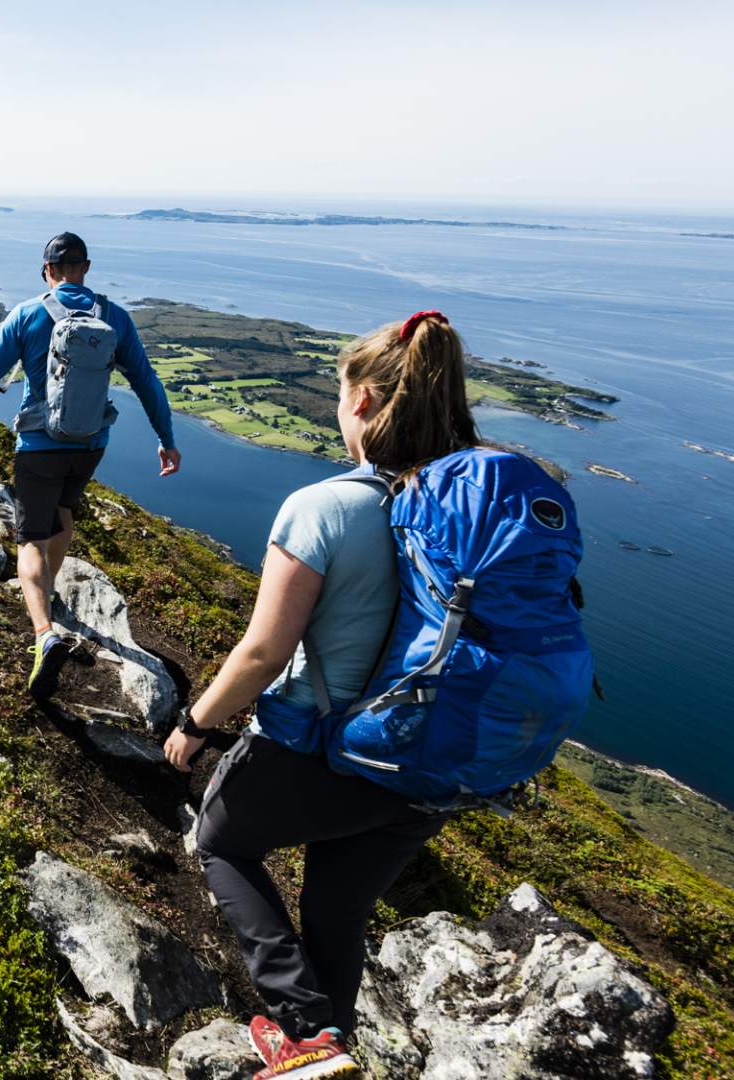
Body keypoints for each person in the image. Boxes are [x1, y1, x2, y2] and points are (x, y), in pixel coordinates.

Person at [160, 311, 480, 1080]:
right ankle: (327, 1050)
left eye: (342, 396)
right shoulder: (465, 515)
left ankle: (306, 1031)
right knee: (337, 912)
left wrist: (194, 726)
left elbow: (264, 653)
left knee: (220, 841)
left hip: (324, 748)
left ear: (364, 401)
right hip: (431, 769)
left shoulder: (326, 508)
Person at [0, 232, 180, 699]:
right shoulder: (114, 317)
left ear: (47, 271)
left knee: (30, 536)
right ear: (85, 268)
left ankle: (43, 633)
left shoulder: (28, 314)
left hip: (38, 443)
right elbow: (147, 381)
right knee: (64, 513)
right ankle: (47, 588)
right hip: (91, 444)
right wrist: (166, 439)